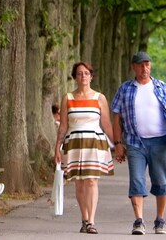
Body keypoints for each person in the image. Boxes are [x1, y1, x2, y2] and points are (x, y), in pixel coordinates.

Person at [111, 51, 166, 236]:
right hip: (135, 142)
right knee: (136, 179)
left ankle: (160, 220)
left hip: (160, 141)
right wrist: (118, 143)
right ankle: (139, 221)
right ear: (133, 67)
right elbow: (116, 116)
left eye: (147, 64)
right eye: (141, 65)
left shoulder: (161, 87)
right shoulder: (125, 89)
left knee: (160, 180)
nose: (145, 68)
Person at [55, 61, 116, 234]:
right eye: (80, 73)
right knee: (80, 184)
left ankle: (91, 221)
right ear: (75, 77)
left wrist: (118, 145)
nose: (83, 76)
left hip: (94, 142)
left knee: (91, 180)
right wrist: (57, 148)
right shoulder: (68, 98)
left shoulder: (99, 98)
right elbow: (63, 126)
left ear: (91, 76)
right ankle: (84, 218)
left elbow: (107, 124)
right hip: (74, 142)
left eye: (86, 73)